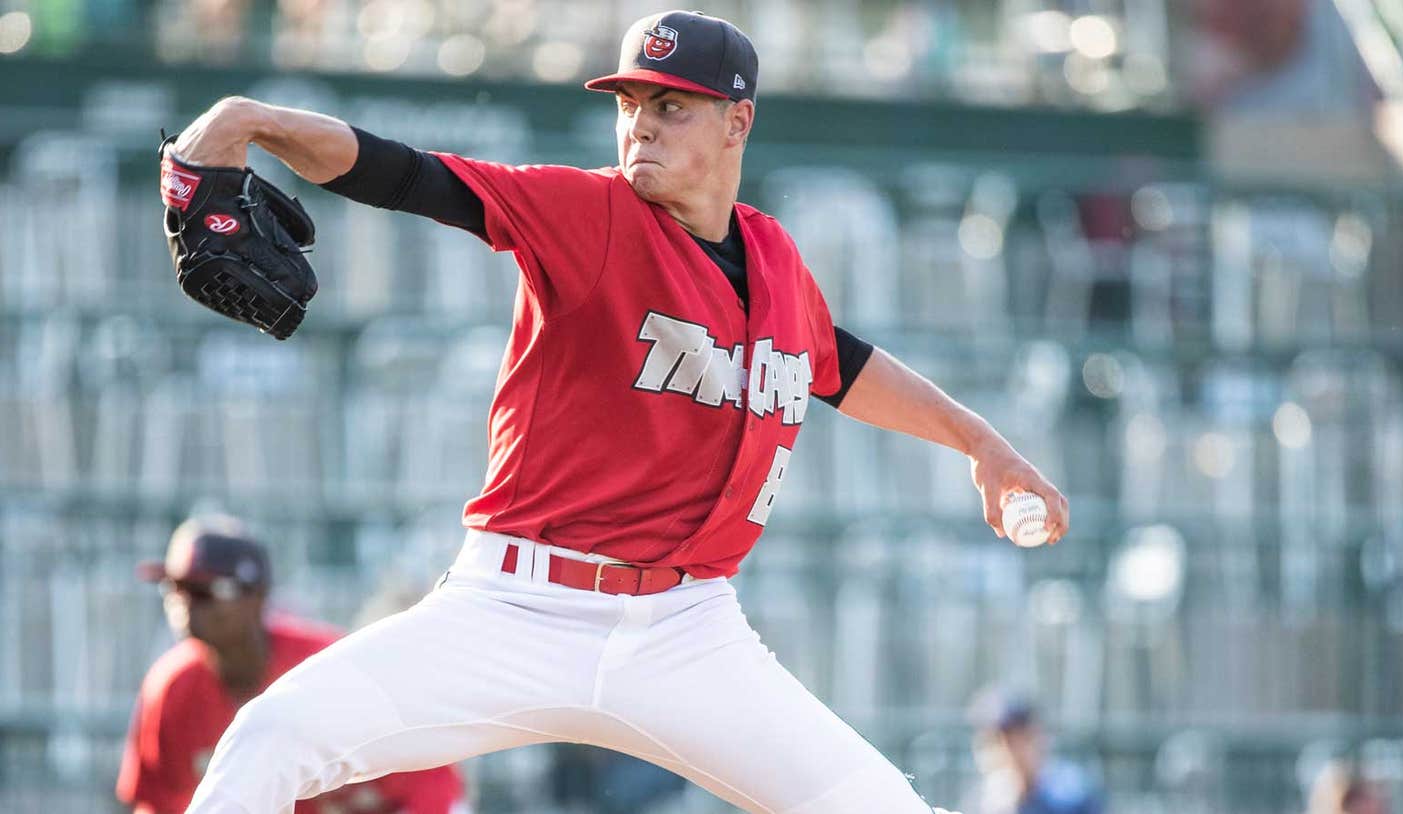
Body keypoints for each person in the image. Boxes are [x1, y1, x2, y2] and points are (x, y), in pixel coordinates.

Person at [170, 10, 1069, 813]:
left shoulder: (775, 257)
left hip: (688, 633)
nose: (642, 121)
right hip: (513, 609)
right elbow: (407, 175)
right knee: (270, 739)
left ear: (737, 121)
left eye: (672, 105)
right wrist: (252, 120)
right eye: (631, 101)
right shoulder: (588, 212)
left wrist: (980, 443)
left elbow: (839, 363)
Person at [116, 516, 469, 814]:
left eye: (206, 590)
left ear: (257, 596)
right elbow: (158, 802)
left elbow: (432, 784)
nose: (187, 605)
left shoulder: (327, 669)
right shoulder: (172, 688)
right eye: (175, 589)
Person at [963, 691, 1101, 814]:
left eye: (1012, 741)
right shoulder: (984, 799)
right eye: (992, 742)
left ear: (1035, 737)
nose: (1005, 752)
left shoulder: (1072, 794)